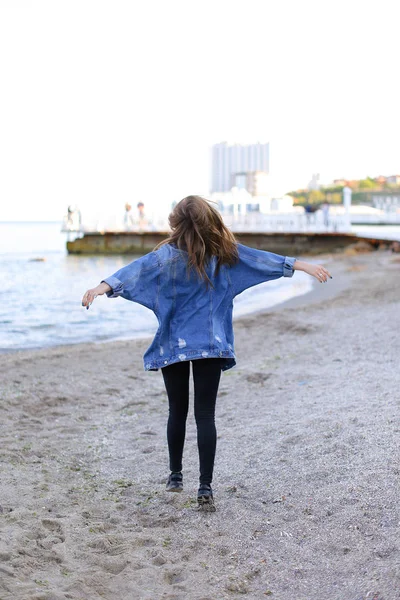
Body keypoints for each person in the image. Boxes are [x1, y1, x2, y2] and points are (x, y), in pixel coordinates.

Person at [82, 195, 332, 511]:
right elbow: (260, 260)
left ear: (175, 223)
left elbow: (130, 274)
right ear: (209, 221)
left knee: (177, 410)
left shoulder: (163, 259)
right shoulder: (225, 256)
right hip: (211, 346)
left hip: (173, 346)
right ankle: (205, 487)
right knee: (205, 415)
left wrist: (98, 289)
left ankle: (175, 476)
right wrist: (302, 265)